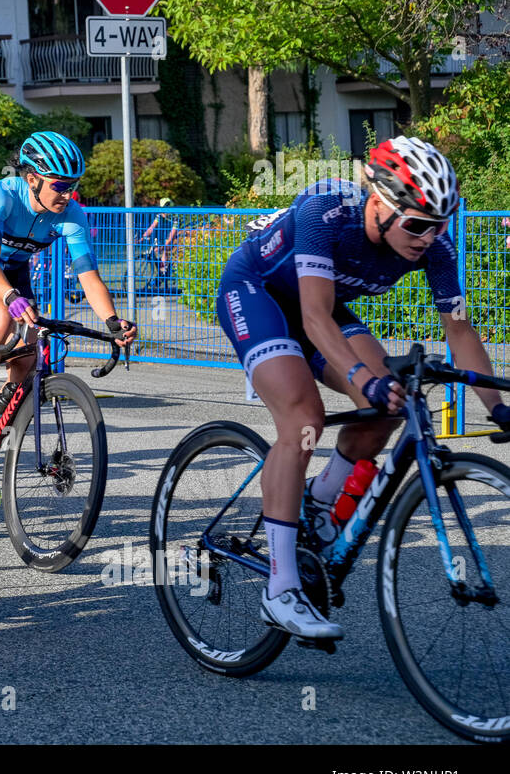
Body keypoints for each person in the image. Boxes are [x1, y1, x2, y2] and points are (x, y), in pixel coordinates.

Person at [217, 136, 510, 641]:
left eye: (440, 223)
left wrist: (498, 405)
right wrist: (361, 379)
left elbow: (460, 330)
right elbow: (311, 316)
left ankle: (318, 499)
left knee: (390, 404)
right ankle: (280, 588)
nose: (428, 237)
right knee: (304, 420)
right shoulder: (325, 211)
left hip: (323, 309)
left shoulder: (433, 248)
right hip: (258, 294)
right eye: (418, 223)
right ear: (379, 201)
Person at [0, 131, 136, 505]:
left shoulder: (71, 214)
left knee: (29, 360)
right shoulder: (3, 193)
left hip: (13, 273)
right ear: (32, 178)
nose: (67, 194)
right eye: (60, 185)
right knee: (0, 318)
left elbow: (88, 276)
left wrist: (113, 322)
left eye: (73, 186)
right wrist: (11, 298)